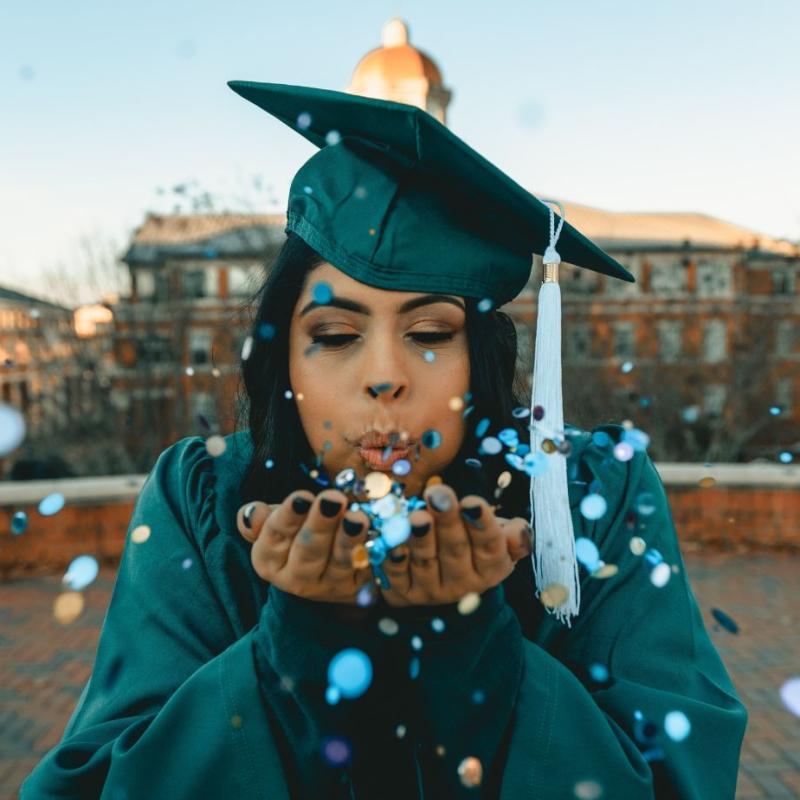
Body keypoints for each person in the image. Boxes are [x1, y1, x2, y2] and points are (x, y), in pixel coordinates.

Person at [21, 83, 747, 799]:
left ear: (482, 358)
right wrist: (293, 646)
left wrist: (476, 651)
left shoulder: (588, 494)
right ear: (284, 360)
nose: (384, 378)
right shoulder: (206, 497)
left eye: (430, 333)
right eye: (335, 335)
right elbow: (101, 781)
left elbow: (678, 779)